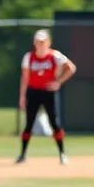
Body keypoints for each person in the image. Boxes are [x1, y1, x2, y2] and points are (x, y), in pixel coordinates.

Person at [16, 28, 76, 164]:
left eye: (43, 41)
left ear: (48, 42)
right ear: (34, 43)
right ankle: (22, 154)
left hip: (48, 92)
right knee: (29, 124)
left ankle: (62, 154)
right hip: (33, 92)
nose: (40, 44)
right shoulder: (29, 57)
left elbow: (71, 68)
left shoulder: (55, 56)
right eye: (38, 41)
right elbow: (25, 77)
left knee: (55, 123)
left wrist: (58, 82)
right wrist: (22, 96)